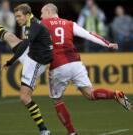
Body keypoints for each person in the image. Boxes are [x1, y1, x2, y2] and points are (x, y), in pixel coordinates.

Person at [41, 3, 132, 135]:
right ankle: (115, 94)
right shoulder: (69, 24)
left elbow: (32, 40)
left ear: (49, 11)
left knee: (57, 100)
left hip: (58, 66)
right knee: (90, 94)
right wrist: (108, 44)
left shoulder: (43, 24)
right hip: (76, 63)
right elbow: (89, 34)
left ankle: (72, 133)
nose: (41, 16)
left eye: (43, 13)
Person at [0, 1, 52, 135]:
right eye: (16, 16)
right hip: (32, 55)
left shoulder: (33, 25)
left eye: (19, 16)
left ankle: (43, 129)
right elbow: (26, 44)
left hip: (36, 63)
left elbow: (24, 45)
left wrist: (10, 62)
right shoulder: (30, 20)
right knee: (10, 36)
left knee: (24, 98)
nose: (17, 19)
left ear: (28, 15)